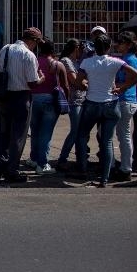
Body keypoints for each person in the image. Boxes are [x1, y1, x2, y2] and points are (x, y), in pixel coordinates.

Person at [75, 33, 137, 187]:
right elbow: (135, 75)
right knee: (107, 141)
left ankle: (82, 169)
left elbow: (78, 82)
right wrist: (122, 87)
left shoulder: (87, 63)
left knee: (82, 136)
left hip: (92, 103)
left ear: (95, 47)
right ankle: (104, 178)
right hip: (111, 104)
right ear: (109, 47)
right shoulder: (115, 62)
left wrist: (86, 85)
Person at [0, 27, 43, 183]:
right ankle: (12, 170)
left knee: (2, 134)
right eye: (36, 42)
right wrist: (42, 78)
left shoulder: (5, 49)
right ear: (32, 41)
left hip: (3, 97)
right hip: (21, 97)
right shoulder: (29, 55)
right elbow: (33, 83)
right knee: (18, 136)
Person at [27, 38, 67, 175]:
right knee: (46, 134)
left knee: (35, 132)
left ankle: (33, 159)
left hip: (33, 99)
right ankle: (42, 164)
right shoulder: (57, 64)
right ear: (52, 50)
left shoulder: (34, 61)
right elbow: (65, 86)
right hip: (50, 100)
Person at [54, 38, 85, 173]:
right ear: (75, 48)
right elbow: (75, 81)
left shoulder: (76, 62)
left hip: (81, 99)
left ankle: (80, 158)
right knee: (75, 131)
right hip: (74, 101)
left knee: (80, 132)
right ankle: (62, 159)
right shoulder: (66, 61)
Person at [110, 31, 137, 181]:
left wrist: (120, 87)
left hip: (125, 100)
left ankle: (125, 168)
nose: (117, 45)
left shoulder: (130, 60)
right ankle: (123, 166)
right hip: (126, 100)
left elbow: (132, 78)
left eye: (120, 43)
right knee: (122, 135)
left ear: (128, 44)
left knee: (123, 135)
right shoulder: (126, 59)